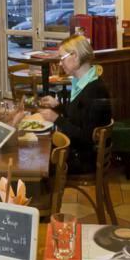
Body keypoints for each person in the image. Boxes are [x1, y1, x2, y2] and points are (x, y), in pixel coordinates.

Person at [37, 35, 112, 174]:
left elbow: (86, 137)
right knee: (38, 151)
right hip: (78, 152)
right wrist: (58, 106)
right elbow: (79, 116)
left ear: (75, 56)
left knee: (36, 161)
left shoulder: (95, 90)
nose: (60, 63)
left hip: (84, 160)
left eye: (62, 58)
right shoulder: (83, 83)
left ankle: (44, 194)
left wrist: (56, 119)